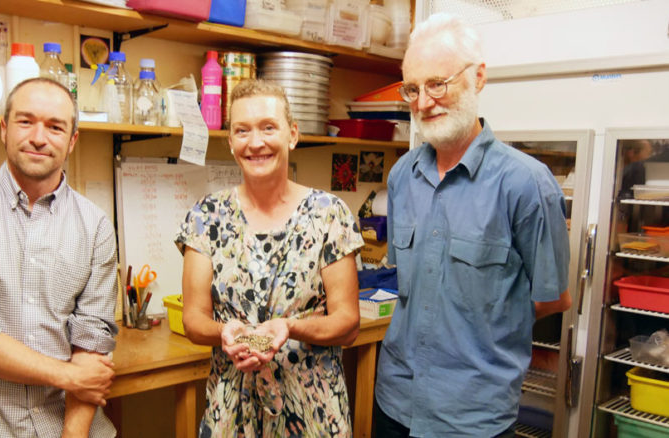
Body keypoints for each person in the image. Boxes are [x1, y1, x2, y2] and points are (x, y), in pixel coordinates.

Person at [374, 13, 572, 438]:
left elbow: (555, 297)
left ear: (478, 78)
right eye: (413, 88)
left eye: (437, 84)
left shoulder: (527, 183)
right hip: (394, 402)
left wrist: (487, 326)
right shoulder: (401, 177)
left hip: (472, 417)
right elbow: (409, 287)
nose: (424, 101)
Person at [0, 77, 119, 437]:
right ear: (4, 129)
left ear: (72, 140)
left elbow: (91, 341)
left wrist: (72, 436)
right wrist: (67, 375)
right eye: (25, 121)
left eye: (55, 126)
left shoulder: (94, 225)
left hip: (69, 424)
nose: (38, 137)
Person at [175, 79, 363, 437]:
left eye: (268, 128)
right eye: (242, 131)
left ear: (292, 134)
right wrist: (224, 332)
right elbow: (193, 321)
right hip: (232, 411)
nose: (255, 142)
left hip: (313, 412)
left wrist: (289, 328)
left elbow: (348, 324)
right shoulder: (205, 217)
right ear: (230, 142)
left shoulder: (329, 215)